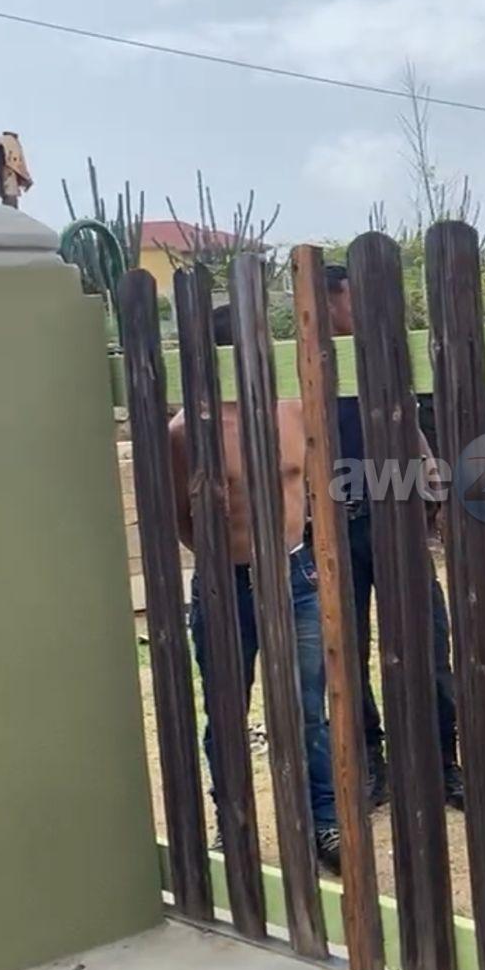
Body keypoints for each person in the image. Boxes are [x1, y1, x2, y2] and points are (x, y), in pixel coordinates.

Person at [169, 306, 342, 872]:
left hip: (296, 577)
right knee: (227, 711)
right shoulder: (186, 433)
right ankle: (233, 824)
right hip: (227, 586)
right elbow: (179, 515)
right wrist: (222, 561)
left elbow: (312, 485)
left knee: (308, 708)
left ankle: (324, 823)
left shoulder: (293, 411)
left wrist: (306, 542)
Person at [323, 264, 465, 810]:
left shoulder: (383, 358)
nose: (362, 310)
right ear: (330, 303)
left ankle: (443, 762)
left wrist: (433, 490)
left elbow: (412, 431)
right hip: (335, 530)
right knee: (346, 654)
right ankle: (370, 765)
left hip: (396, 522)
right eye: (352, 300)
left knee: (428, 645)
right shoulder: (303, 364)